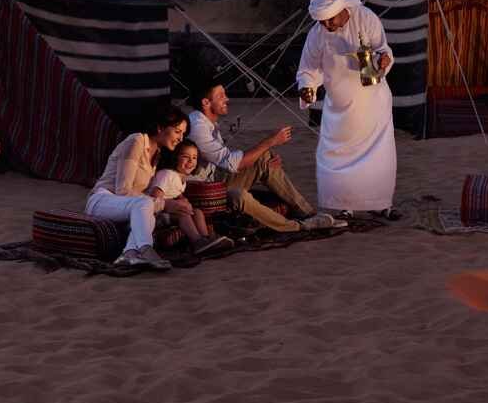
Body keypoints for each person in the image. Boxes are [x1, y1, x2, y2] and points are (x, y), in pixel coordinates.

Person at [186, 79, 344, 233]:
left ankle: (308, 213)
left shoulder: (206, 123)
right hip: (203, 194)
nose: (227, 99)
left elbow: (226, 162)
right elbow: (233, 164)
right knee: (241, 195)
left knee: (265, 158)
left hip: (215, 182)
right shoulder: (198, 127)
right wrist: (271, 141)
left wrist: (263, 156)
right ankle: (298, 226)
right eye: (221, 96)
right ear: (206, 102)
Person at [295, 0, 397, 215]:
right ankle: (343, 208)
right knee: (333, 160)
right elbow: (308, 69)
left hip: (373, 107)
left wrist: (383, 61)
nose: (327, 26)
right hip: (339, 111)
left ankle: (381, 206)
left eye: (330, 21)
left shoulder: (366, 18)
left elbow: (383, 50)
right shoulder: (317, 34)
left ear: (342, 9)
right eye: (322, 22)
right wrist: (306, 87)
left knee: (377, 160)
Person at [86, 105, 191, 270]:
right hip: (102, 199)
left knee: (147, 206)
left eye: (183, 134)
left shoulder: (157, 155)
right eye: (177, 131)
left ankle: (129, 254)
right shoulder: (136, 141)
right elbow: (124, 191)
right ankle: (146, 250)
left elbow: (142, 195)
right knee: (146, 204)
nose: (181, 138)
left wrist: (173, 203)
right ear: (159, 127)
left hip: (126, 205)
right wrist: (164, 204)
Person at [148, 140, 234, 256]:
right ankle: (197, 242)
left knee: (197, 211)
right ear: (175, 157)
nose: (191, 161)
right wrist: (173, 205)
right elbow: (154, 198)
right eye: (185, 156)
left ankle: (206, 239)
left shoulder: (181, 178)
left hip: (170, 213)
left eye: (194, 157)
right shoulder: (167, 175)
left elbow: (176, 192)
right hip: (156, 216)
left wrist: (182, 199)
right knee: (183, 213)